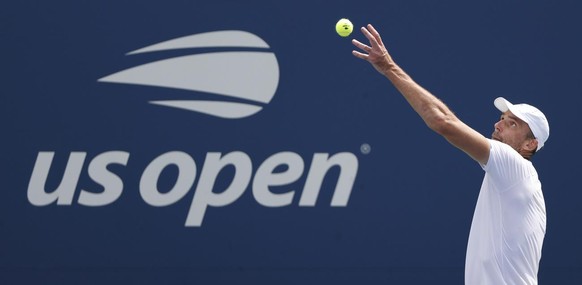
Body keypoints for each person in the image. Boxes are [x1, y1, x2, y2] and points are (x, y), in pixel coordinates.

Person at [352, 24, 549, 285]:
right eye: (501, 118)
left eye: (512, 123)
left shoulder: (515, 166)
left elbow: (443, 122)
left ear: (530, 145)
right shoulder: (513, 179)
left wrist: (389, 67)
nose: (497, 125)